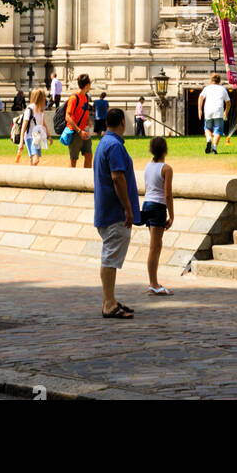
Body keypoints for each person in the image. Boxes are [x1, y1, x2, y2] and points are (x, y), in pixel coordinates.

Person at [93, 107, 140, 318]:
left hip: (106, 209)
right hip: (114, 211)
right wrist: (128, 207)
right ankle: (109, 303)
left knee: (109, 255)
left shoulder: (104, 143)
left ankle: (109, 299)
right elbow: (117, 177)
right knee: (110, 257)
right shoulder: (114, 146)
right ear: (122, 122)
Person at [141, 137, 174, 296]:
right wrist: (172, 215)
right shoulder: (166, 169)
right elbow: (167, 194)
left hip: (147, 204)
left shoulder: (148, 166)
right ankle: (153, 283)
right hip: (158, 206)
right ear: (165, 150)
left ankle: (154, 281)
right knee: (155, 247)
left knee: (156, 245)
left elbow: (147, 187)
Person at [15, 88, 50, 165]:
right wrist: (21, 142)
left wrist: (49, 136)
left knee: (33, 160)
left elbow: (43, 124)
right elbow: (23, 127)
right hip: (30, 137)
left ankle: (30, 175)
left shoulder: (40, 110)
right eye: (43, 97)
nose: (45, 99)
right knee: (36, 159)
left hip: (37, 137)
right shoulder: (29, 109)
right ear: (39, 98)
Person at [198, 73, 230, 155]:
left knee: (207, 128)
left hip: (208, 110)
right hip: (218, 110)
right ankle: (214, 148)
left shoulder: (207, 88)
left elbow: (201, 97)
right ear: (219, 81)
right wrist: (225, 112)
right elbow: (228, 102)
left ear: (211, 80)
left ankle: (209, 139)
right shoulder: (222, 89)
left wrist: (199, 110)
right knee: (218, 130)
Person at [66, 75, 93, 168]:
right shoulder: (74, 98)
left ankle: (86, 179)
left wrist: (88, 120)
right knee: (73, 159)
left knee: (89, 155)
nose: (90, 86)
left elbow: (84, 111)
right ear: (86, 85)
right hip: (75, 132)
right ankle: (70, 181)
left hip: (85, 131)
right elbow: (67, 117)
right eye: (90, 84)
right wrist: (79, 131)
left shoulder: (86, 97)